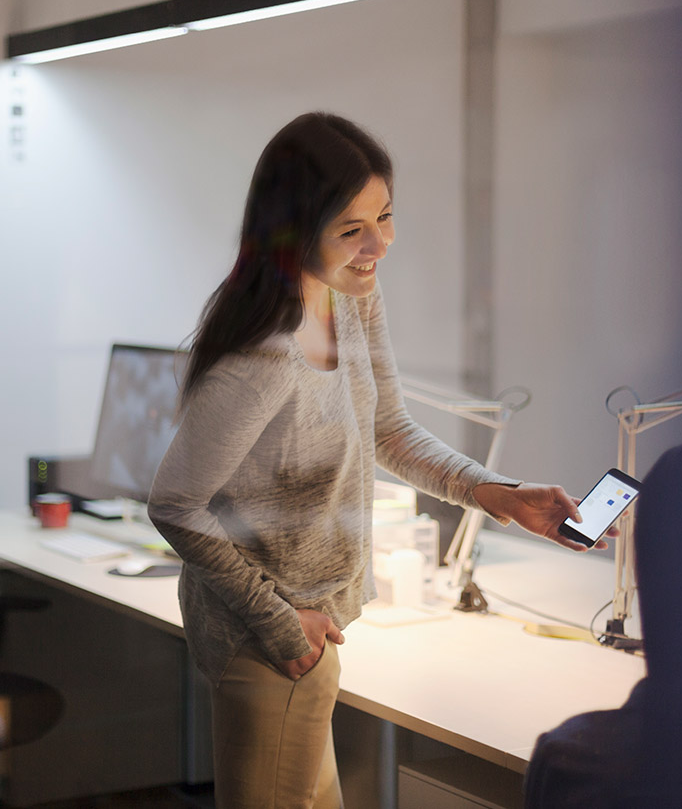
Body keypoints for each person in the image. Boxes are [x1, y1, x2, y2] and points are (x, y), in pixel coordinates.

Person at [148, 111, 611, 809]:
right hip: (269, 642)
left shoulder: (350, 297)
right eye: (353, 229)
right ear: (298, 231)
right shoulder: (262, 354)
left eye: (387, 217)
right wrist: (279, 621)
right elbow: (174, 503)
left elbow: (389, 429)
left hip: (313, 633)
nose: (381, 245)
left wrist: (497, 492)